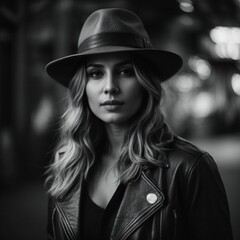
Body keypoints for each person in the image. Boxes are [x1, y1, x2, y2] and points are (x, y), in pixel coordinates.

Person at [45, 8, 233, 240]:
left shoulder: (189, 167)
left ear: (146, 83)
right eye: (95, 74)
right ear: (82, 87)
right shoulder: (66, 164)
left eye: (125, 71)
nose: (110, 86)